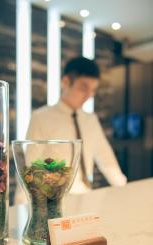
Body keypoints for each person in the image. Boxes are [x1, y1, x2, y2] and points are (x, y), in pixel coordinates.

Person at [26, 56, 127, 194]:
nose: (89, 96)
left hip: (86, 196)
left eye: (93, 90)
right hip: (55, 198)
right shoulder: (41, 118)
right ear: (66, 82)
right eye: (83, 88)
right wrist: (23, 206)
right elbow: (30, 164)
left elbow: (106, 159)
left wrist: (124, 190)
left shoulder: (91, 120)